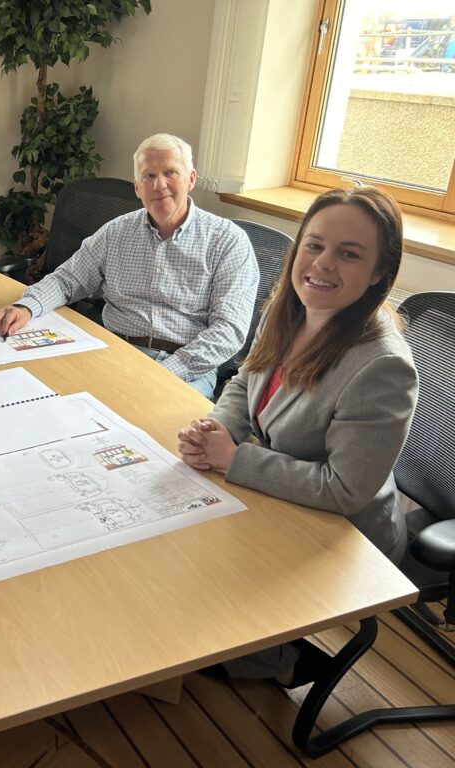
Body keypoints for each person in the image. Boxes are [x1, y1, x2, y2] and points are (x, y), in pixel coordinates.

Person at [176, 186, 418, 686]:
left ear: (378, 273)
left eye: (349, 254)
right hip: (282, 491)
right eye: (314, 245)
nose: (323, 264)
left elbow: (345, 489)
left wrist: (233, 458)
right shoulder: (287, 310)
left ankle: (283, 663)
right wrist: (220, 427)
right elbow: (245, 381)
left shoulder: (382, 365)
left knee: (196, 627)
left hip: (345, 533)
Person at [0, 133, 259, 398]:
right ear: (137, 187)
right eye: (149, 176)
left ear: (191, 179)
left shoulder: (228, 241)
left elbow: (228, 331)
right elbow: (68, 279)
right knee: (42, 394)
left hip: (186, 366)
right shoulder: (116, 232)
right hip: (114, 351)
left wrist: (166, 371)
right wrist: (27, 306)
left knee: (161, 429)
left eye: (170, 173)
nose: (159, 185)